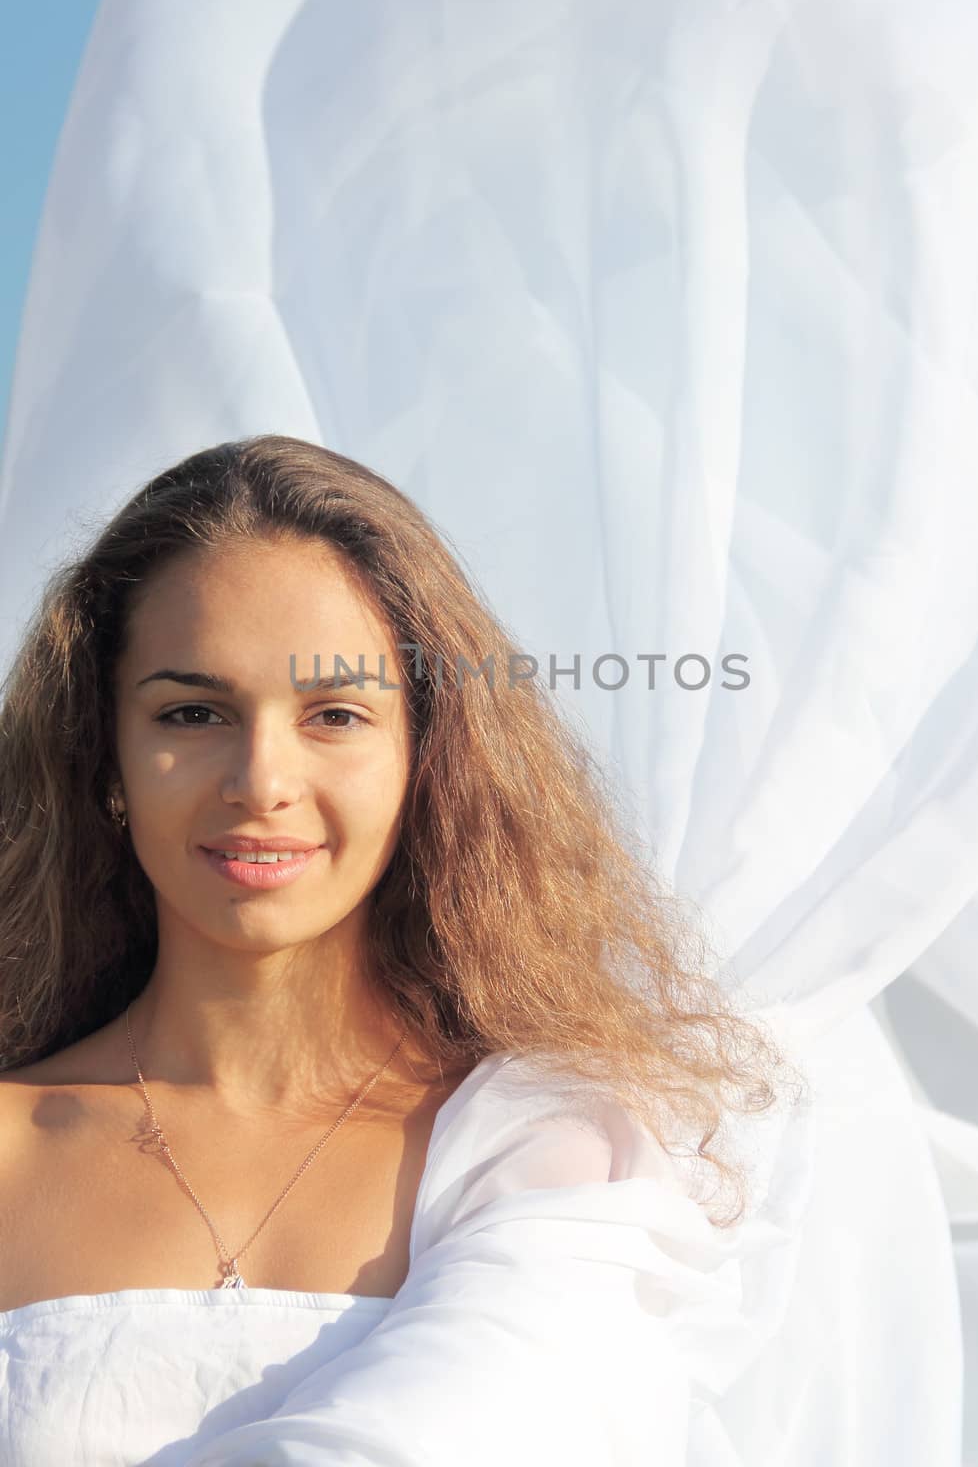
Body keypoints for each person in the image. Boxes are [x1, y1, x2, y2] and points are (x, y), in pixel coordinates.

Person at [0, 434, 804, 1466]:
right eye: (191, 712)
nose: (260, 777)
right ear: (101, 751)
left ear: (428, 754)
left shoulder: (548, 1152)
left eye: (334, 713)